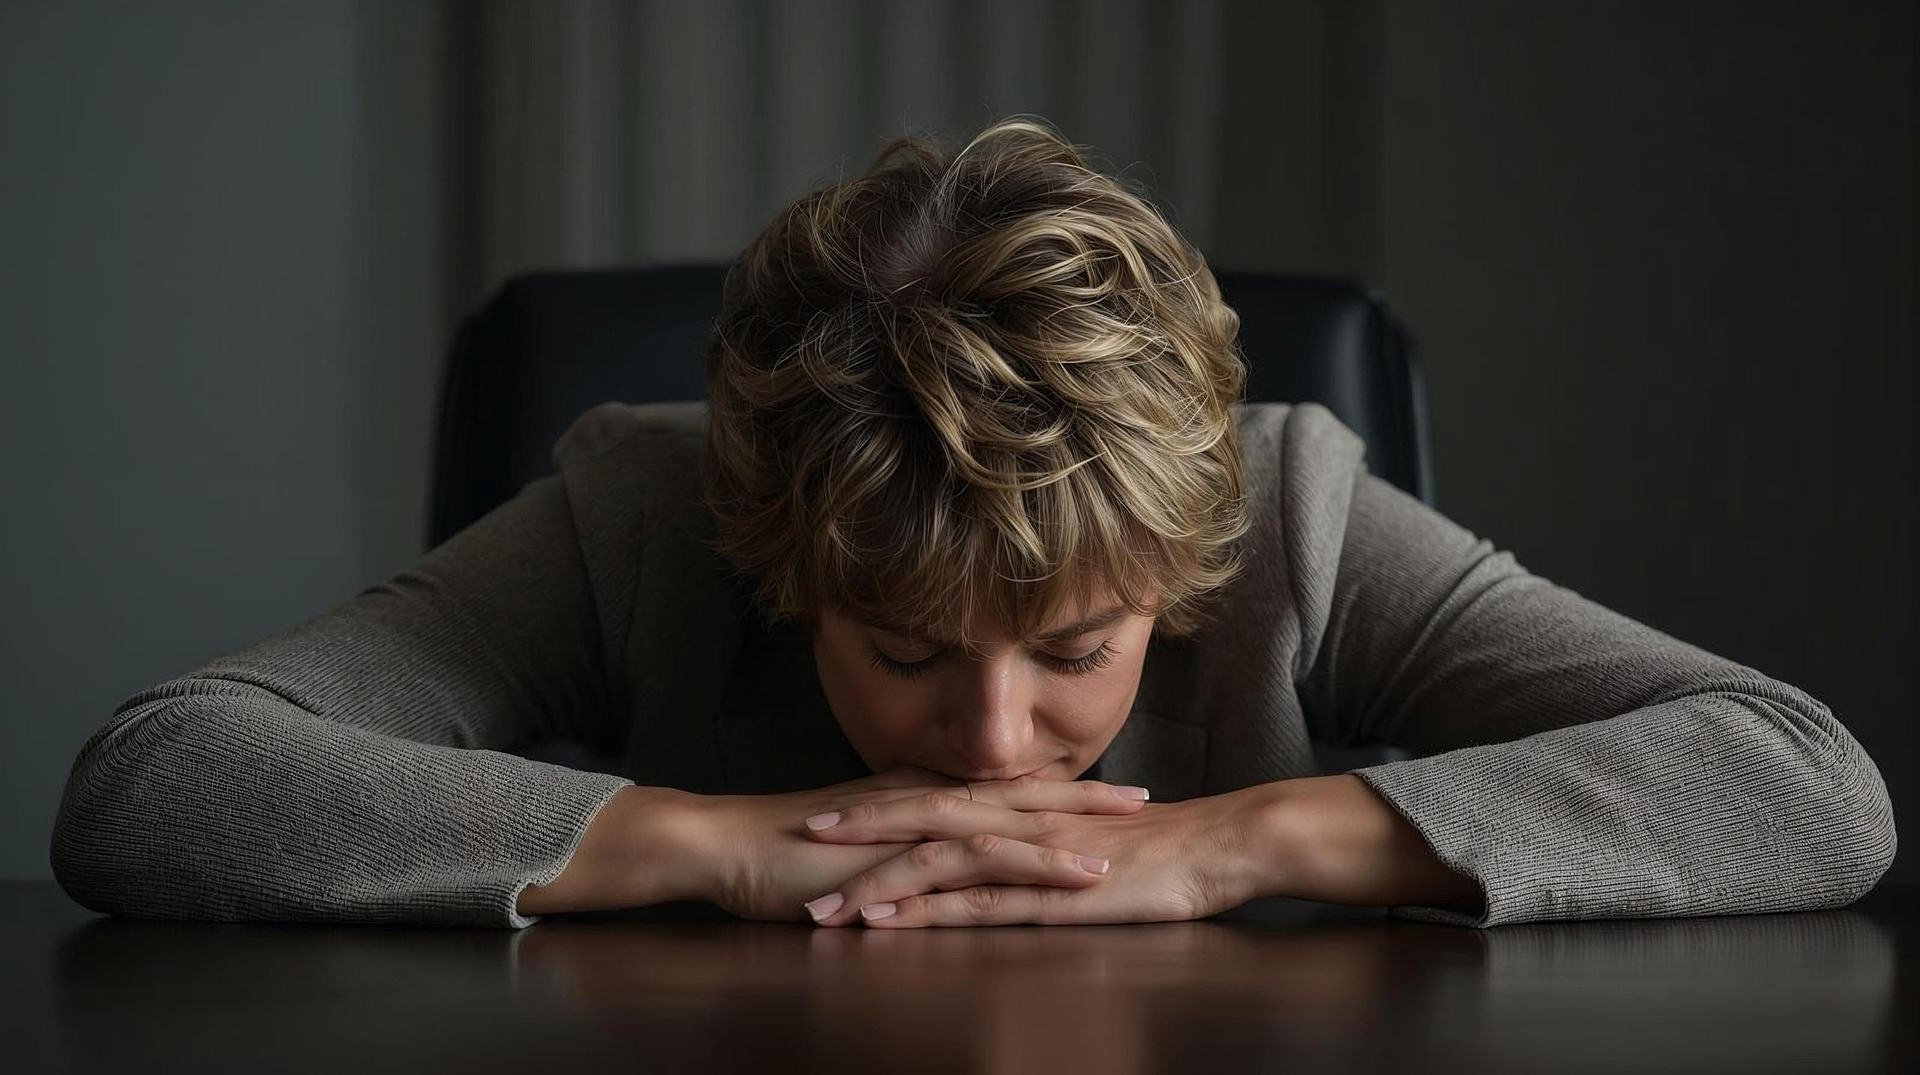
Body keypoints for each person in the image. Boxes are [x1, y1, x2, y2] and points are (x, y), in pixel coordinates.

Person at [50, 117, 1895, 930]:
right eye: (908, 652)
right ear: (779, 557)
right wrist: (723, 848)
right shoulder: (645, 506)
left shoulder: (1286, 504)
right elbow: (162, 777)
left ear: (1180, 564)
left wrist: (1227, 849)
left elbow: (1803, 778)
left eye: (1080, 652)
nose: (999, 745)